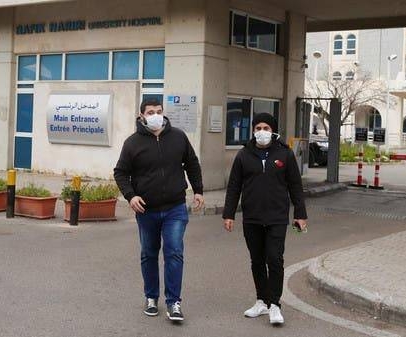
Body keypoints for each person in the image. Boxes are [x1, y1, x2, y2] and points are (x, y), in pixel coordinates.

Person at [114, 98, 204, 322]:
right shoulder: (132, 143)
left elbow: (192, 163)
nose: (155, 115)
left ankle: (174, 302)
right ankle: (151, 297)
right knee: (149, 253)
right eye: (150, 112)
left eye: (159, 111)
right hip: (147, 209)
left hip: (175, 207)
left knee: (174, 252)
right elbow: (121, 172)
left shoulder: (178, 137)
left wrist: (199, 190)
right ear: (141, 115)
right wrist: (130, 195)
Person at [222, 112, 308, 325]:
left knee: (275, 259)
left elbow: (296, 186)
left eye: (266, 128)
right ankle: (261, 300)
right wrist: (229, 214)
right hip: (251, 218)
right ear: (253, 130)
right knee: (257, 260)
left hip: (277, 217)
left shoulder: (284, 154)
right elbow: (234, 186)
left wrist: (300, 214)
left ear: (273, 131)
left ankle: (275, 305)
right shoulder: (243, 155)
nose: (262, 132)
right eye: (258, 128)